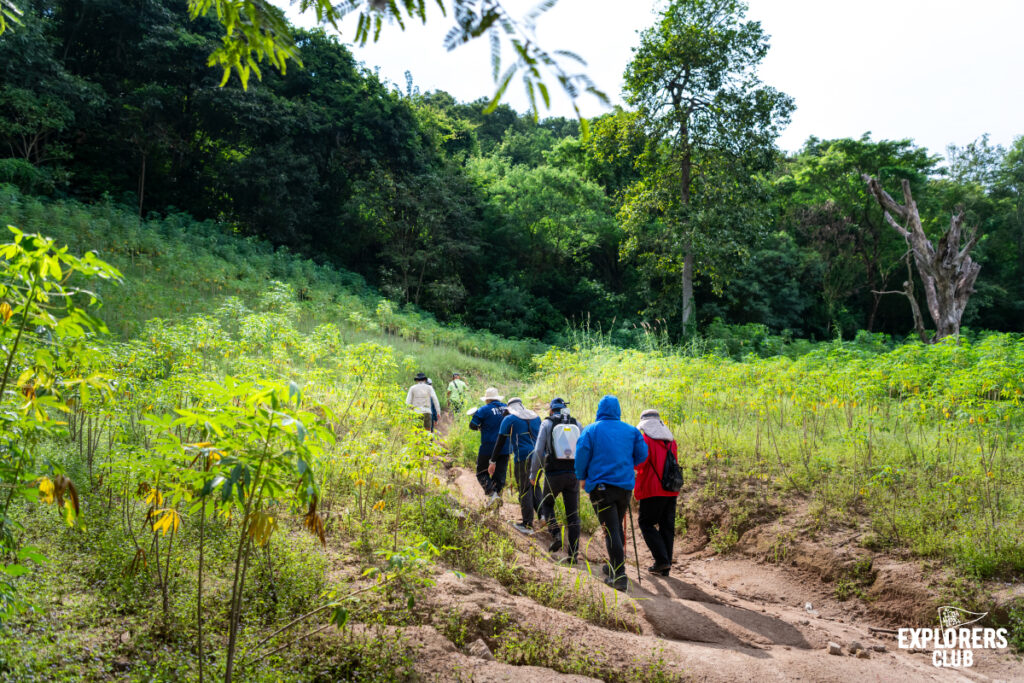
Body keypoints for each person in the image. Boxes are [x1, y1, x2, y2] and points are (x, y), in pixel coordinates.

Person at [575, 395, 647, 591]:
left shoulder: (591, 430)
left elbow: (581, 455)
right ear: (618, 410)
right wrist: (627, 463)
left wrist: (581, 477)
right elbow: (643, 455)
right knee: (615, 528)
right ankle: (614, 566)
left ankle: (620, 576)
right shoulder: (631, 431)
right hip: (624, 488)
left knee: (611, 530)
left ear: (599, 410)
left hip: (601, 489)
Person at [530, 397, 582, 564]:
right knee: (573, 515)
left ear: (551, 410)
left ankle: (556, 534)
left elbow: (538, 450)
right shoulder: (576, 423)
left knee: (547, 504)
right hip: (573, 475)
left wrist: (533, 474)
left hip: (553, 474)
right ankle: (573, 555)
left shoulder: (547, 424)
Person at [635, 409, 680, 577]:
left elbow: (639, 465)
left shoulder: (645, 440)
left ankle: (661, 560)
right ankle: (665, 566)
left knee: (646, 523)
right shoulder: (671, 441)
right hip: (671, 489)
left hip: (652, 489)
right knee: (667, 527)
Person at [488, 398, 541, 534]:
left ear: (510, 408)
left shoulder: (510, 419)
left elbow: (500, 442)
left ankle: (527, 524)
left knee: (524, 489)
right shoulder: (536, 417)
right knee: (535, 487)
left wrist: (492, 461)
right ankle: (544, 517)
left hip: (523, 458)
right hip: (539, 457)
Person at [469, 387, 509, 506]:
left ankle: (493, 495)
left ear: (487, 399)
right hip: (505, 447)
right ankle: (495, 502)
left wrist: (480, 427)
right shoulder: (507, 408)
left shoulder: (484, 410)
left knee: (481, 472)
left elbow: (472, 425)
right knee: (499, 477)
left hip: (489, 447)